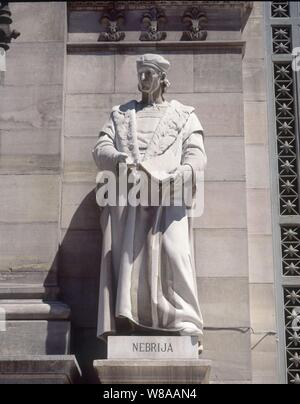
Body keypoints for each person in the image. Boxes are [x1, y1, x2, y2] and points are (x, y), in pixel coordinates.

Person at [92, 54, 207, 349]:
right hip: (130, 199)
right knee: (130, 261)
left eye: (149, 74)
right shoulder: (121, 113)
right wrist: (117, 158)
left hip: (169, 196)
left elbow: (196, 156)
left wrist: (182, 173)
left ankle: (181, 319)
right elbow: (101, 147)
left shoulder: (183, 115)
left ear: (161, 79)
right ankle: (130, 320)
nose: (143, 79)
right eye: (140, 73)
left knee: (175, 253)